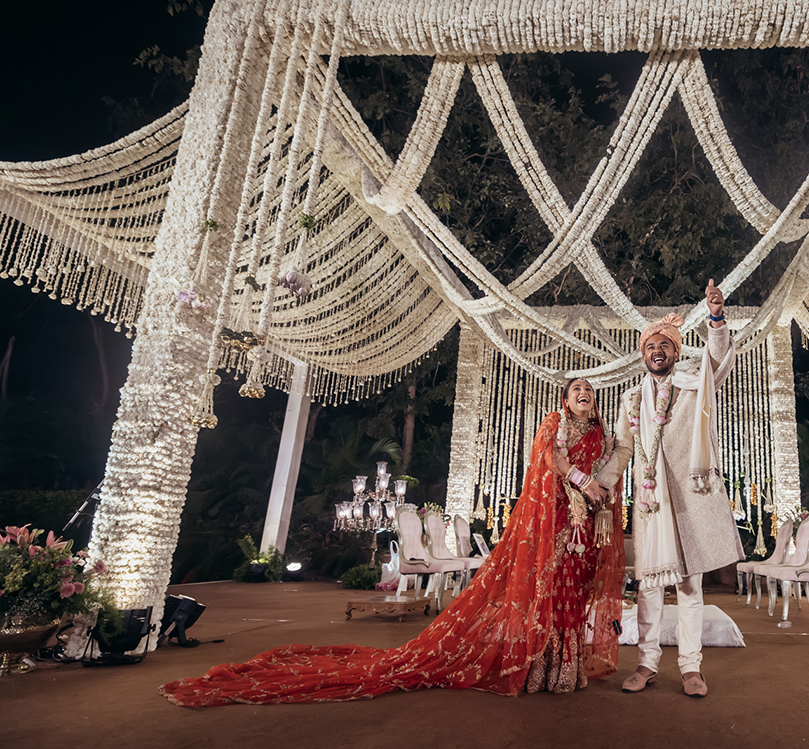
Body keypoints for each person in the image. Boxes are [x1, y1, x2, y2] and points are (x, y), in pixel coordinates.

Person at [161, 379, 623, 706]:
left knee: (570, 595)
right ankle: (536, 667)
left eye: (589, 392)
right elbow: (549, 462)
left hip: (582, 530)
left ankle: (566, 669)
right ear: (565, 399)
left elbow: (612, 469)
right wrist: (584, 482)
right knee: (543, 592)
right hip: (548, 526)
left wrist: (600, 494)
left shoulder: (602, 435)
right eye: (576, 390)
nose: (584, 395)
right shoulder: (553, 424)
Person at [565, 279, 743, 699]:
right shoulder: (631, 400)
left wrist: (717, 318)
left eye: (663, 346)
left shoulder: (694, 385)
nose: (656, 351)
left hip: (690, 499)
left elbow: (719, 360)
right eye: (649, 347)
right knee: (648, 585)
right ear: (643, 355)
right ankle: (647, 663)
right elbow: (624, 449)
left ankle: (691, 667)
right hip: (652, 502)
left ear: (675, 353)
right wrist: (596, 485)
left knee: (689, 585)